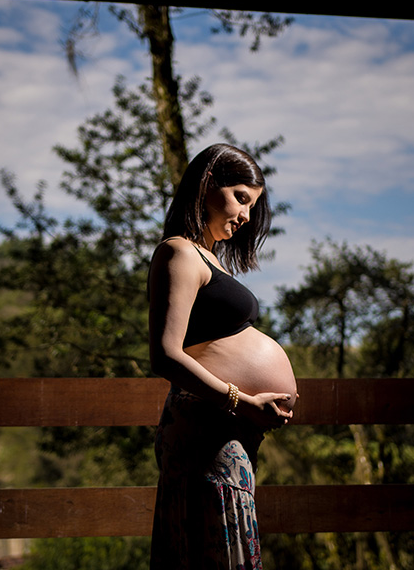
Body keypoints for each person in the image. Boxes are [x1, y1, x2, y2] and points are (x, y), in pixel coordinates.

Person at [147, 143, 297, 569]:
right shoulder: (179, 253)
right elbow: (165, 355)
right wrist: (243, 401)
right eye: (242, 198)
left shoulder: (209, 258)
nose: (247, 216)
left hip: (223, 432)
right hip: (203, 430)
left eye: (253, 205)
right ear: (208, 186)